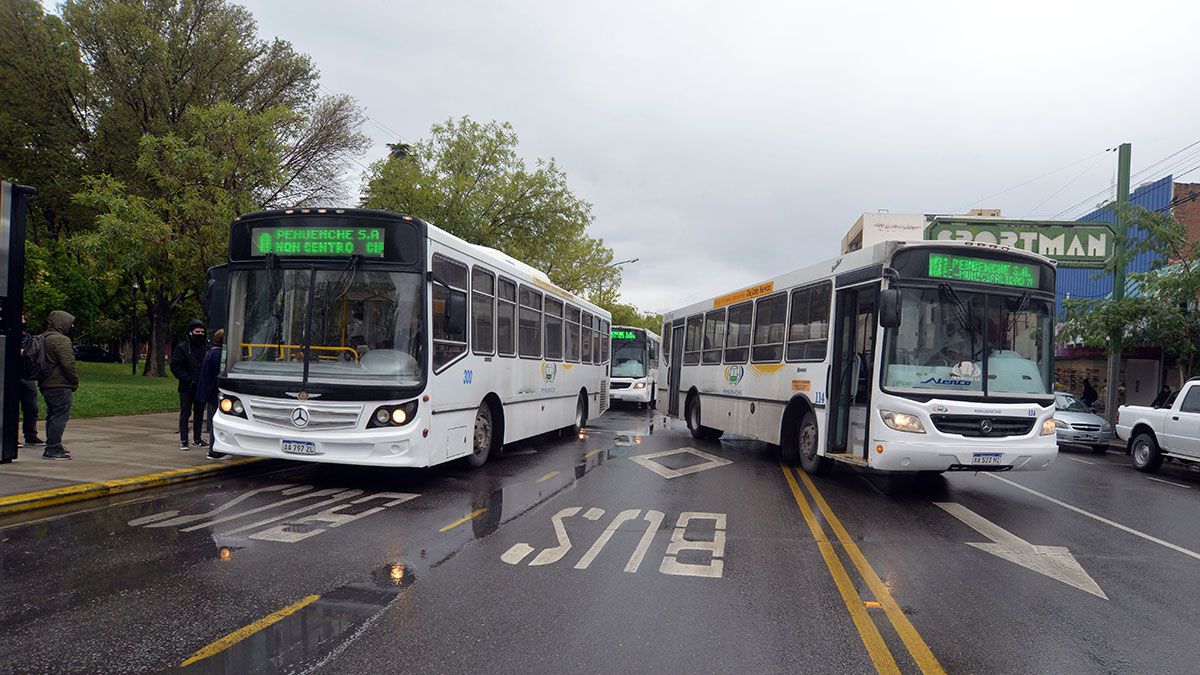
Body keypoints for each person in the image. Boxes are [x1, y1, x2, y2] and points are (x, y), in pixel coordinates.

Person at [38, 311, 78, 460]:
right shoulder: (61, 340)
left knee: (52, 415)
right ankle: (53, 448)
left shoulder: (43, 337)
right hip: (60, 384)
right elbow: (68, 364)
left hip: (45, 383)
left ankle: (52, 444)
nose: (72, 326)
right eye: (70, 323)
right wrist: (74, 381)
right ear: (62, 323)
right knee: (60, 416)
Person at [170, 319, 209, 451]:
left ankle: (197, 439)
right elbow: (175, 366)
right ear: (191, 332)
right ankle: (184, 440)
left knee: (199, 414)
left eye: (202, 332)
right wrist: (188, 379)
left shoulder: (205, 347)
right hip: (187, 387)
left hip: (201, 386)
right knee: (185, 413)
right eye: (197, 331)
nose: (200, 334)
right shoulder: (182, 347)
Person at [196, 329, 229, 460]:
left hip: (208, 391)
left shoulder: (211, 353)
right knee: (217, 420)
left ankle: (214, 448)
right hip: (214, 392)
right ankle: (215, 449)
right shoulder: (218, 355)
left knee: (214, 419)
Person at [18, 314, 45, 448]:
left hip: (26, 376)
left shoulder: (28, 338)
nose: (24, 322)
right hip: (12, 376)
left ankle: (30, 434)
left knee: (31, 407)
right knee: (11, 408)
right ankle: (11, 435)